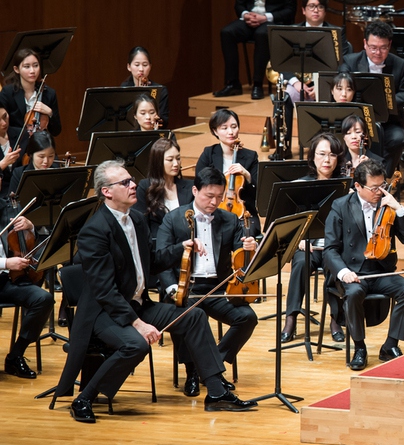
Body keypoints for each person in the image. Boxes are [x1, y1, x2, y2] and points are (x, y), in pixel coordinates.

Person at [54, 160, 256, 423]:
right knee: (136, 344)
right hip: (104, 313)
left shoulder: (136, 219)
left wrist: (183, 247)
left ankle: (217, 393)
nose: (133, 185)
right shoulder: (94, 231)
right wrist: (139, 324)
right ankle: (85, 399)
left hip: (138, 304)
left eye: (131, 180)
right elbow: (105, 291)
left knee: (193, 316)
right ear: (106, 191)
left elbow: (152, 261)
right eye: (125, 182)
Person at [156, 167, 259, 396]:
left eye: (219, 196)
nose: (215, 202)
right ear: (195, 190)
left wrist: (250, 248)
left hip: (217, 288)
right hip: (185, 287)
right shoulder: (173, 219)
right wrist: (174, 288)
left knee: (247, 318)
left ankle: (210, 368)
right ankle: (192, 371)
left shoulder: (230, 219)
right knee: (183, 312)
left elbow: (240, 256)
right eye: (209, 196)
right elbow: (160, 260)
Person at [323, 159, 404, 371]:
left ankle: (390, 344)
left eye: (382, 186)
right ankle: (359, 347)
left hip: (381, 272)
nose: (379, 192)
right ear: (357, 186)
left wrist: (400, 209)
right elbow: (330, 249)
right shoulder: (341, 206)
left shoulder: (388, 205)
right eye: (374, 188)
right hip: (353, 273)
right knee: (355, 293)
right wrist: (343, 272)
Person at [283, 131, 346, 343]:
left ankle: (335, 319)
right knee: (299, 264)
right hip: (307, 248)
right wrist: (299, 239)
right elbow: (290, 223)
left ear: (338, 158)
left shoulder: (346, 187)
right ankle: (290, 319)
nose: (326, 160)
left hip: (334, 249)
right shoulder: (300, 184)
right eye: (321, 154)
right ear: (312, 157)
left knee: (335, 265)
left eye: (332, 155)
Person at [339, 21, 404, 174]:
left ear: (389, 45)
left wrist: (383, 103)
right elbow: (341, 84)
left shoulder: (399, 64)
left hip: (387, 121)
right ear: (365, 43)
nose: (378, 52)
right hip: (356, 122)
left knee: (398, 138)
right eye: (373, 47)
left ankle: (381, 176)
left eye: (383, 48)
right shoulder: (350, 62)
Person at [1, 206, 55, 380]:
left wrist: (30, 226)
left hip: (5, 281)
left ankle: (16, 355)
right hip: (5, 268)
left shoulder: (6, 208)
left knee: (43, 298)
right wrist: (6, 263)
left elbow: (36, 238)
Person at [283, 0, 353, 103]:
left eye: (320, 7)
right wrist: (296, 82)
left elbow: (343, 62)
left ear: (325, 11)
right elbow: (283, 60)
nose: (316, 10)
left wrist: (323, 85)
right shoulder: (292, 32)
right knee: (288, 94)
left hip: (328, 83)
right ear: (303, 10)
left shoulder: (338, 33)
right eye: (311, 6)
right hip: (299, 84)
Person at [195, 109, 259, 221]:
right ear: (215, 131)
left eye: (234, 126)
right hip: (211, 212)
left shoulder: (251, 156)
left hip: (244, 214)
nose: (231, 132)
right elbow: (199, 183)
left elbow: (258, 191)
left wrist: (247, 175)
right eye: (224, 128)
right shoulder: (208, 153)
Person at [134, 137, 194, 248]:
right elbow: (140, 224)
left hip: (186, 247)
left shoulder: (190, 186)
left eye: (178, 158)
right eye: (170, 160)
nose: (176, 164)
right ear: (158, 162)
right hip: (157, 248)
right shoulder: (145, 187)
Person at [0, 48, 62, 143]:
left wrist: (50, 113)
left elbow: (56, 131)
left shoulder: (49, 93)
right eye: (27, 66)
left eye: (36, 66)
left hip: (41, 146)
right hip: (16, 145)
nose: (32, 71)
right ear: (16, 69)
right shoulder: (8, 93)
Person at [121, 46, 169, 125]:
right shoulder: (124, 88)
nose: (141, 69)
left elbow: (164, 120)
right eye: (137, 65)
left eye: (145, 65)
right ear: (129, 67)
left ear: (150, 66)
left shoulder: (160, 90)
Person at [10, 130, 59, 197]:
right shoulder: (19, 174)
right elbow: (11, 202)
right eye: (41, 156)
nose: (46, 161)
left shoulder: (57, 172)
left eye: (51, 156)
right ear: (31, 154)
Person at [0, 106, 22, 199]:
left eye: (5, 116)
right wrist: (3, 163)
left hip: (21, 191)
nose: (4, 123)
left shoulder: (22, 134)